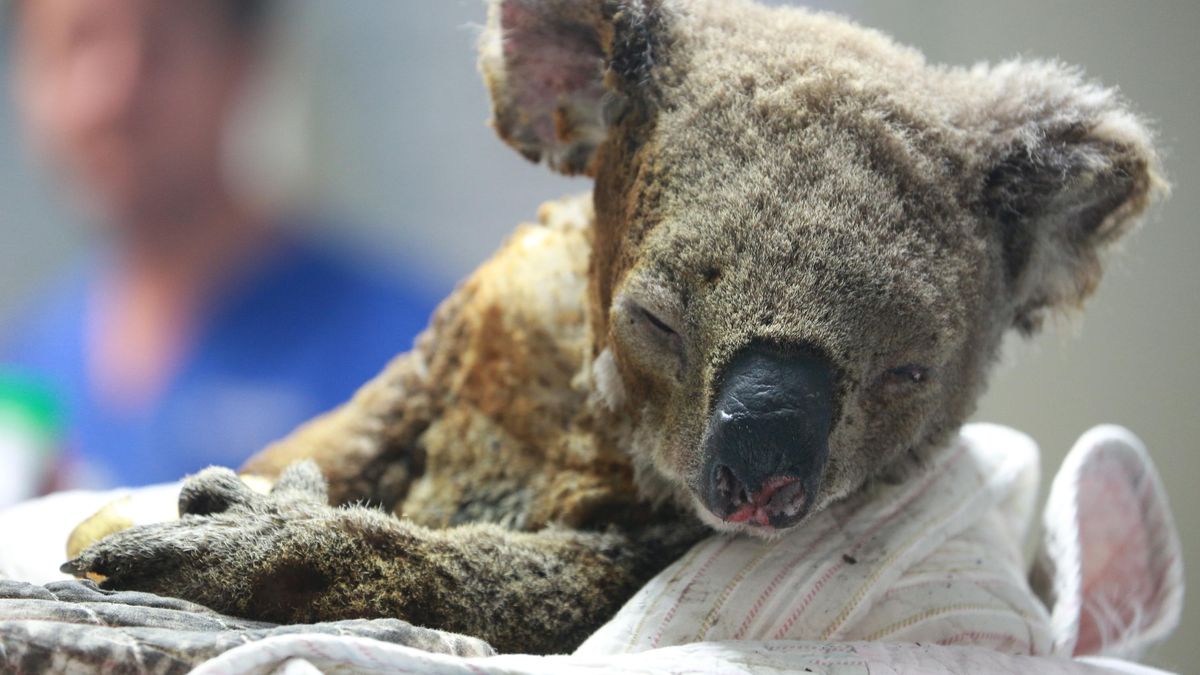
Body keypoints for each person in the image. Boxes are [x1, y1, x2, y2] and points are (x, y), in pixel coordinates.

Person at [0, 0, 440, 495]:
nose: (110, 94)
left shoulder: (415, 356)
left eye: (159, 48)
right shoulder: (25, 371)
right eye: (76, 42)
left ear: (242, 62)